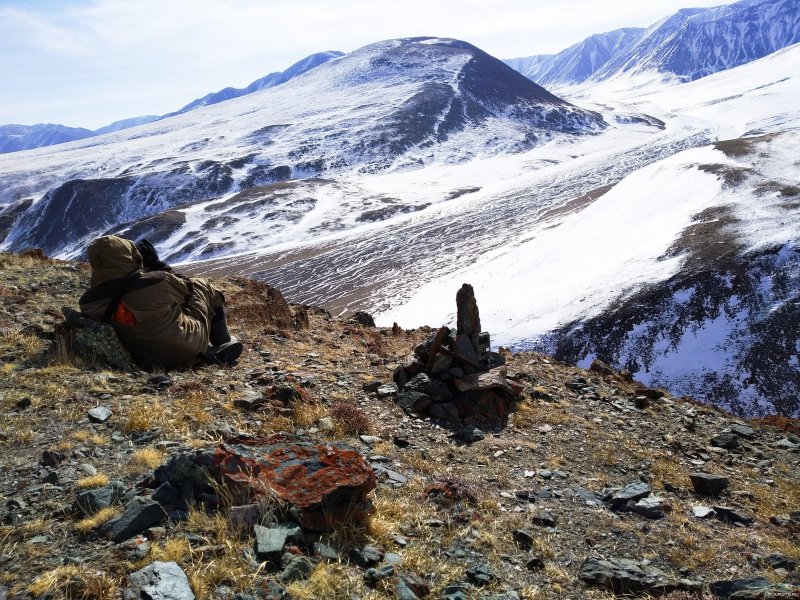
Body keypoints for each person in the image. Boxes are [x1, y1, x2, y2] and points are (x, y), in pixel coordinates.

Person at [79, 235, 242, 370]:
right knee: (202, 285)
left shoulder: (88, 302)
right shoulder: (157, 281)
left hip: (144, 360)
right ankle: (222, 342)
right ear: (130, 255)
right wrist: (157, 265)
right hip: (185, 347)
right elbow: (188, 289)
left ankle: (200, 351)